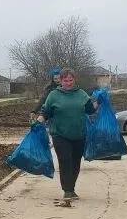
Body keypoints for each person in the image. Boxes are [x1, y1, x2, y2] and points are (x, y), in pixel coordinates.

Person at [38, 68, 96, 200]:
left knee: (75, 162)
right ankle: (67, 190)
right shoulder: (54, 95)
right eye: (65, 80)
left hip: (79, 134)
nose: (68, 83)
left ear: (75, 80)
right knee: (65, 161)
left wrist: (100, 101)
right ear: (61, 81)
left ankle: (71, 188)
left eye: (71, 80)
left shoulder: (82, 94)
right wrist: (38, 121)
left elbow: (90, 110)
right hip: (59, 134)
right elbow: (46, 112)